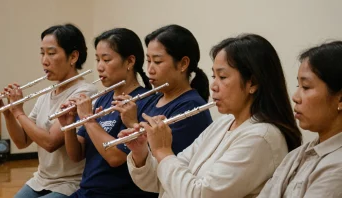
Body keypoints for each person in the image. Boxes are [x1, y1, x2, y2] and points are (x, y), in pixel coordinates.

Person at [122, 34, 302, 198]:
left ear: (252, 83)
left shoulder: (262, 137)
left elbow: (199, 194)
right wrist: (141, 152)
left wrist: (163, 151)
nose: (213, 86)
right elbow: (159, 180)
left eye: (222, 77)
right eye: (213, 76)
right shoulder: (224, 123)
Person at [0, 24, 97, 197]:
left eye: (51, 53)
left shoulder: (84, 92)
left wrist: (18, 111)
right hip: (41, 180)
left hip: (71, 183)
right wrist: (8, 113)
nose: (44, 60)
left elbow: (50, 143)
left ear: (73, 56)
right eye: (42, 53)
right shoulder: (46, 94)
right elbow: (22, 141)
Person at [58, 28, 157, 198]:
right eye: (97, 59)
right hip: (87, 191)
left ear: (130, 61)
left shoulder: (146, 101)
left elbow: (115, 157)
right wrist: (68, 126)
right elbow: (76, 155)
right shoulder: (103, 99)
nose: (99, 67)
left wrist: (88, 120)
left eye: (106, 59)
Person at [257, 41, 342, 198]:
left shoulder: (338, 166)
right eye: (298, 86)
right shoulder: (295, 155)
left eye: (306, 87)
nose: (295, 97)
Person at [112, 24, 213, 155]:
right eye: (148, 61)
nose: (150, 70)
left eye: (158, 61)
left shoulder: (191, 106)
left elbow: (163, 160)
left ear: (183, 64)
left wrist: (132, 123)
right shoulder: (152, 100)